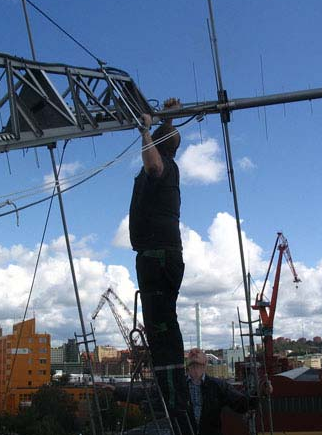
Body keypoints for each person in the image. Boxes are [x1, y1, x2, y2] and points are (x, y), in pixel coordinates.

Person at [129, 98, 191, 432]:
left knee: (163, 330)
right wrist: (164, 120)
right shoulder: (166, 160)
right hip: (157, 257)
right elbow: (168, 140)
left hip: (159, 257)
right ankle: (174, 400)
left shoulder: (163, 166)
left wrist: (145, 130)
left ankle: (176, 404)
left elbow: (154, 161)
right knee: (162, 327)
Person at [186, 348, 269, 435]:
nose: (193, 353)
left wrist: (260, 391)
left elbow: (241, 404)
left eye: (198, 352)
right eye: (191, 352)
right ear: (187, 364)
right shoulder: (178, 387)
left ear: (206, 362)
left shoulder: (218, 386)